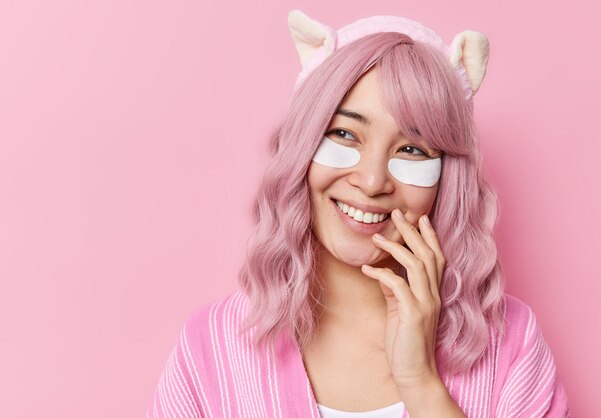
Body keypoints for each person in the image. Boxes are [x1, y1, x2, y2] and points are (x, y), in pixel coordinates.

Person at [146, 9, 570, 418]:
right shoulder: (211, 347)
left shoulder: (511, 343)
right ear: (304, 148)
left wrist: (421, 383)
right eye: (344, 134)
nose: (372, 182)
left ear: (446, 180)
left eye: (412, 149)